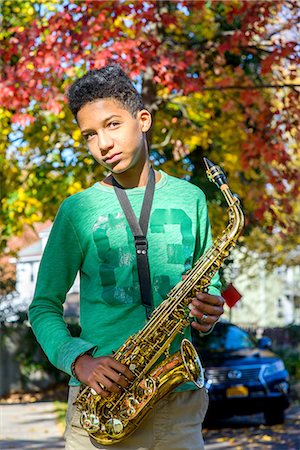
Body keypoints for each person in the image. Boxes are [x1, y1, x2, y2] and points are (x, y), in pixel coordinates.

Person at [28, 64, 224, 450]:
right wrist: (79, 361)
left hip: (178, 402)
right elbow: (43, 306)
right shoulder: (77, 210)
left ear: (143, 119)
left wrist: (210, 309)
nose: (102, 143)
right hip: (100, 404)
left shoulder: (191, 198)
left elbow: (208, 278)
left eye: (113, 124)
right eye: (90, 135)